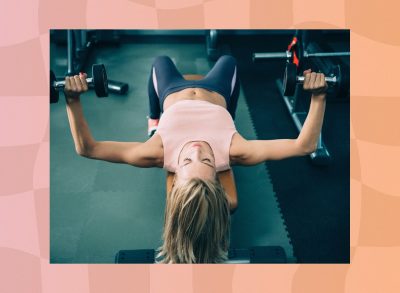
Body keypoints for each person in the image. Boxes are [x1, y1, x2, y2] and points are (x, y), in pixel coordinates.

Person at [63, 55, 327, 263]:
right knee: (229, 61)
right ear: (220, 172)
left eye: (188, 161)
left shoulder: (156, 152)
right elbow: (304, 145)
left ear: (175, 174)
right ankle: (228, 119)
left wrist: (72, 99)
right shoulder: (235, 149)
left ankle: (154, 120)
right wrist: (319, 95)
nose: (197, 150)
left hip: (172, 91)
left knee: (160, 62)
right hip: (216, 91)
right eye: (209, 161)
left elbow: (89, 148)